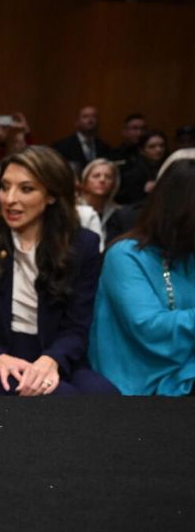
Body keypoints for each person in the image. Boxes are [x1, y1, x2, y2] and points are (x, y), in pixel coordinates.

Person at [0, 146, 117, 395]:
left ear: (51, 195)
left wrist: (52, 359)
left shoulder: (81, 244)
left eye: (26, 189)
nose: (10, 199)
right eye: (4, 186)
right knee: (63, 399)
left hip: (55, 352)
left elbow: (78, 325)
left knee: (106, 399)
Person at [89, 157, 195, 395]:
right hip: (144, 379)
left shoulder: (188, 251)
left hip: (186, 370)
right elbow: (147, 327)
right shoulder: (126, 255)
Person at [52, 105, 113, 175]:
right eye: (85, 117)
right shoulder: (62, 147)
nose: (90, 120)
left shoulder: (105, 148)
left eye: (94, 116)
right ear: (77, 122)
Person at [75, 158, 121, 250]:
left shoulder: (119, 212)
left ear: (114, 183)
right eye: (96, 176)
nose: (102, 180)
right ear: (85, 181)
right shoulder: (74, 209)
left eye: (108, 177)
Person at [118, 131, 168, 205]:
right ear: (142, 150)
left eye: (162, 146)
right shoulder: (132, 172)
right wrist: (143, 191)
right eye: (152, 147)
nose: (159, 150)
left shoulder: (171, 166)